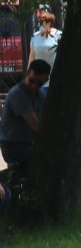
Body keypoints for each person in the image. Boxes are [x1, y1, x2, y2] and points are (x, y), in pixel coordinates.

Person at [0, 59, 50, 195]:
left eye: (39, 83)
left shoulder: (40, 95)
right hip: (14, 146)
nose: (34, 86)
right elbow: (37, 127)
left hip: (28, 144)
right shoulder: (18, 94)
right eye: (32, 81)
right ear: (27, 74)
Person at [26, 8, 60, 73]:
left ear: (49, 23)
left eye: (43, 22)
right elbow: (32, 56)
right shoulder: (34, 37)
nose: (41, 25)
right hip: (38, 73)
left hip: (54, 72)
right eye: (39, 22)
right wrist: (28, 72)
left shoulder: (58, 35)